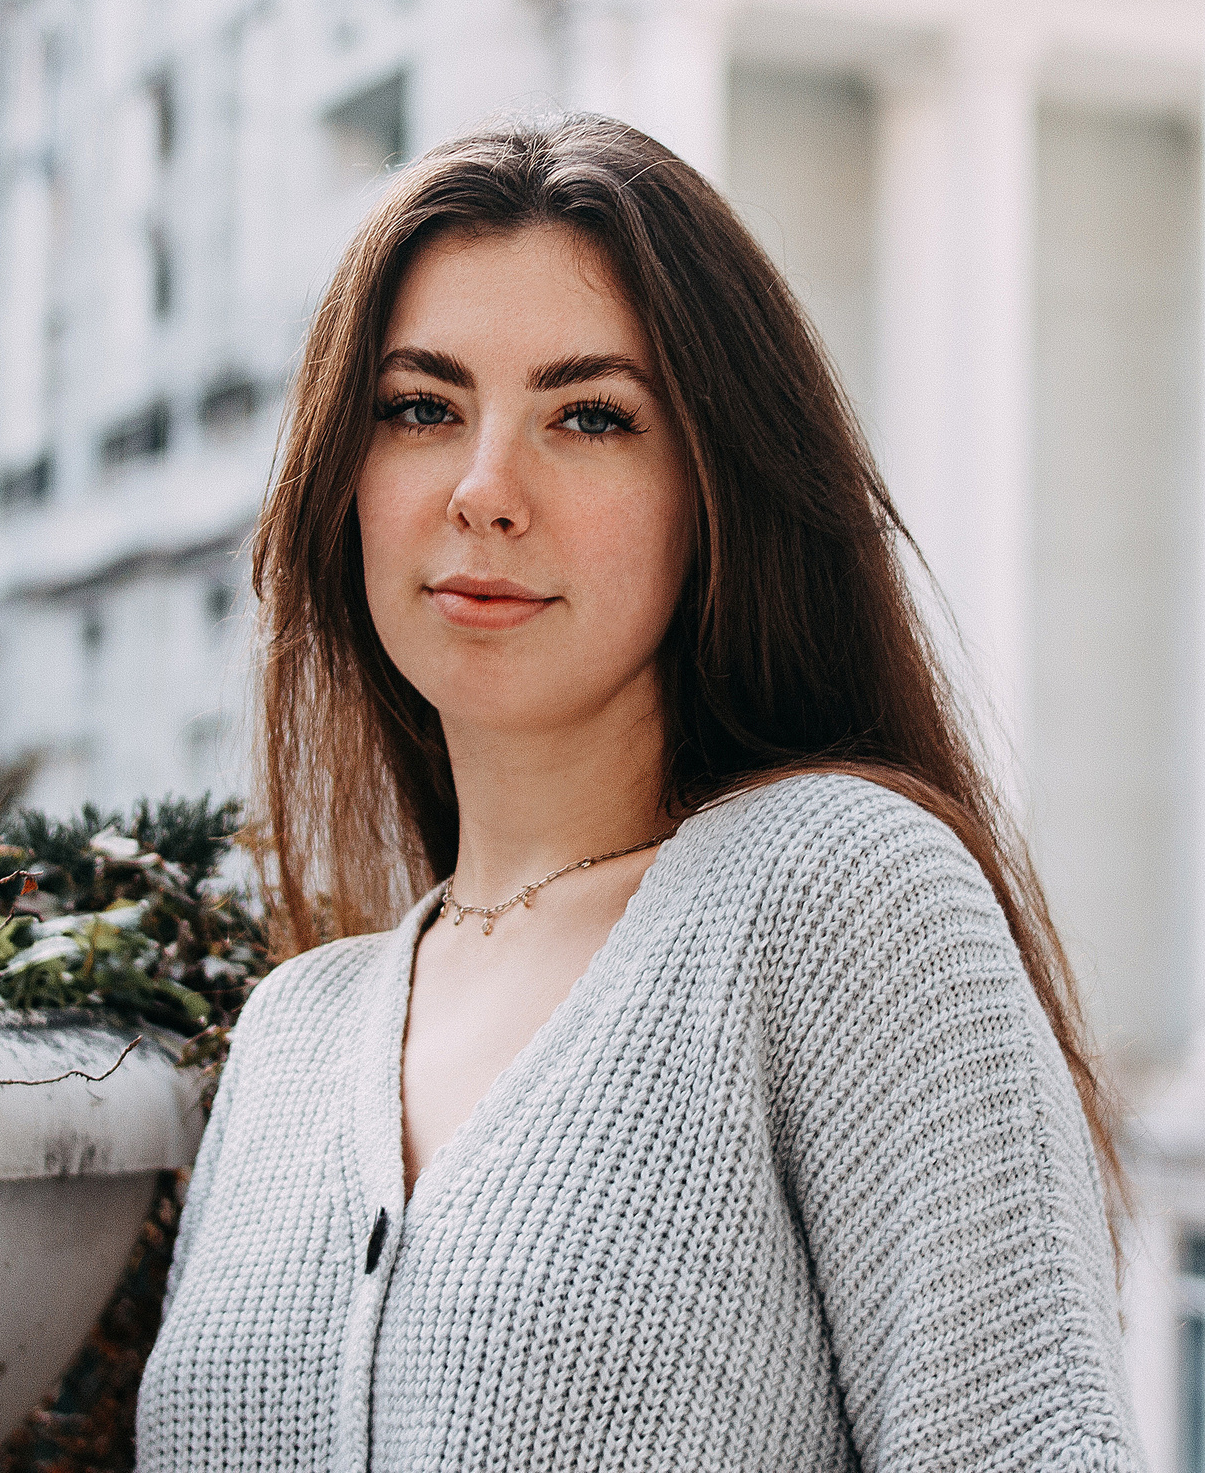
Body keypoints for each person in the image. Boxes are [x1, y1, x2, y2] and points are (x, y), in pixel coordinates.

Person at [134, 115, 1139, 1471]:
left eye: (589, 417)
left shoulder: (839, 897)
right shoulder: (289, 1038)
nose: (486, 490)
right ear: (346, 480)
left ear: (711, 490)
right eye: (422, 408)